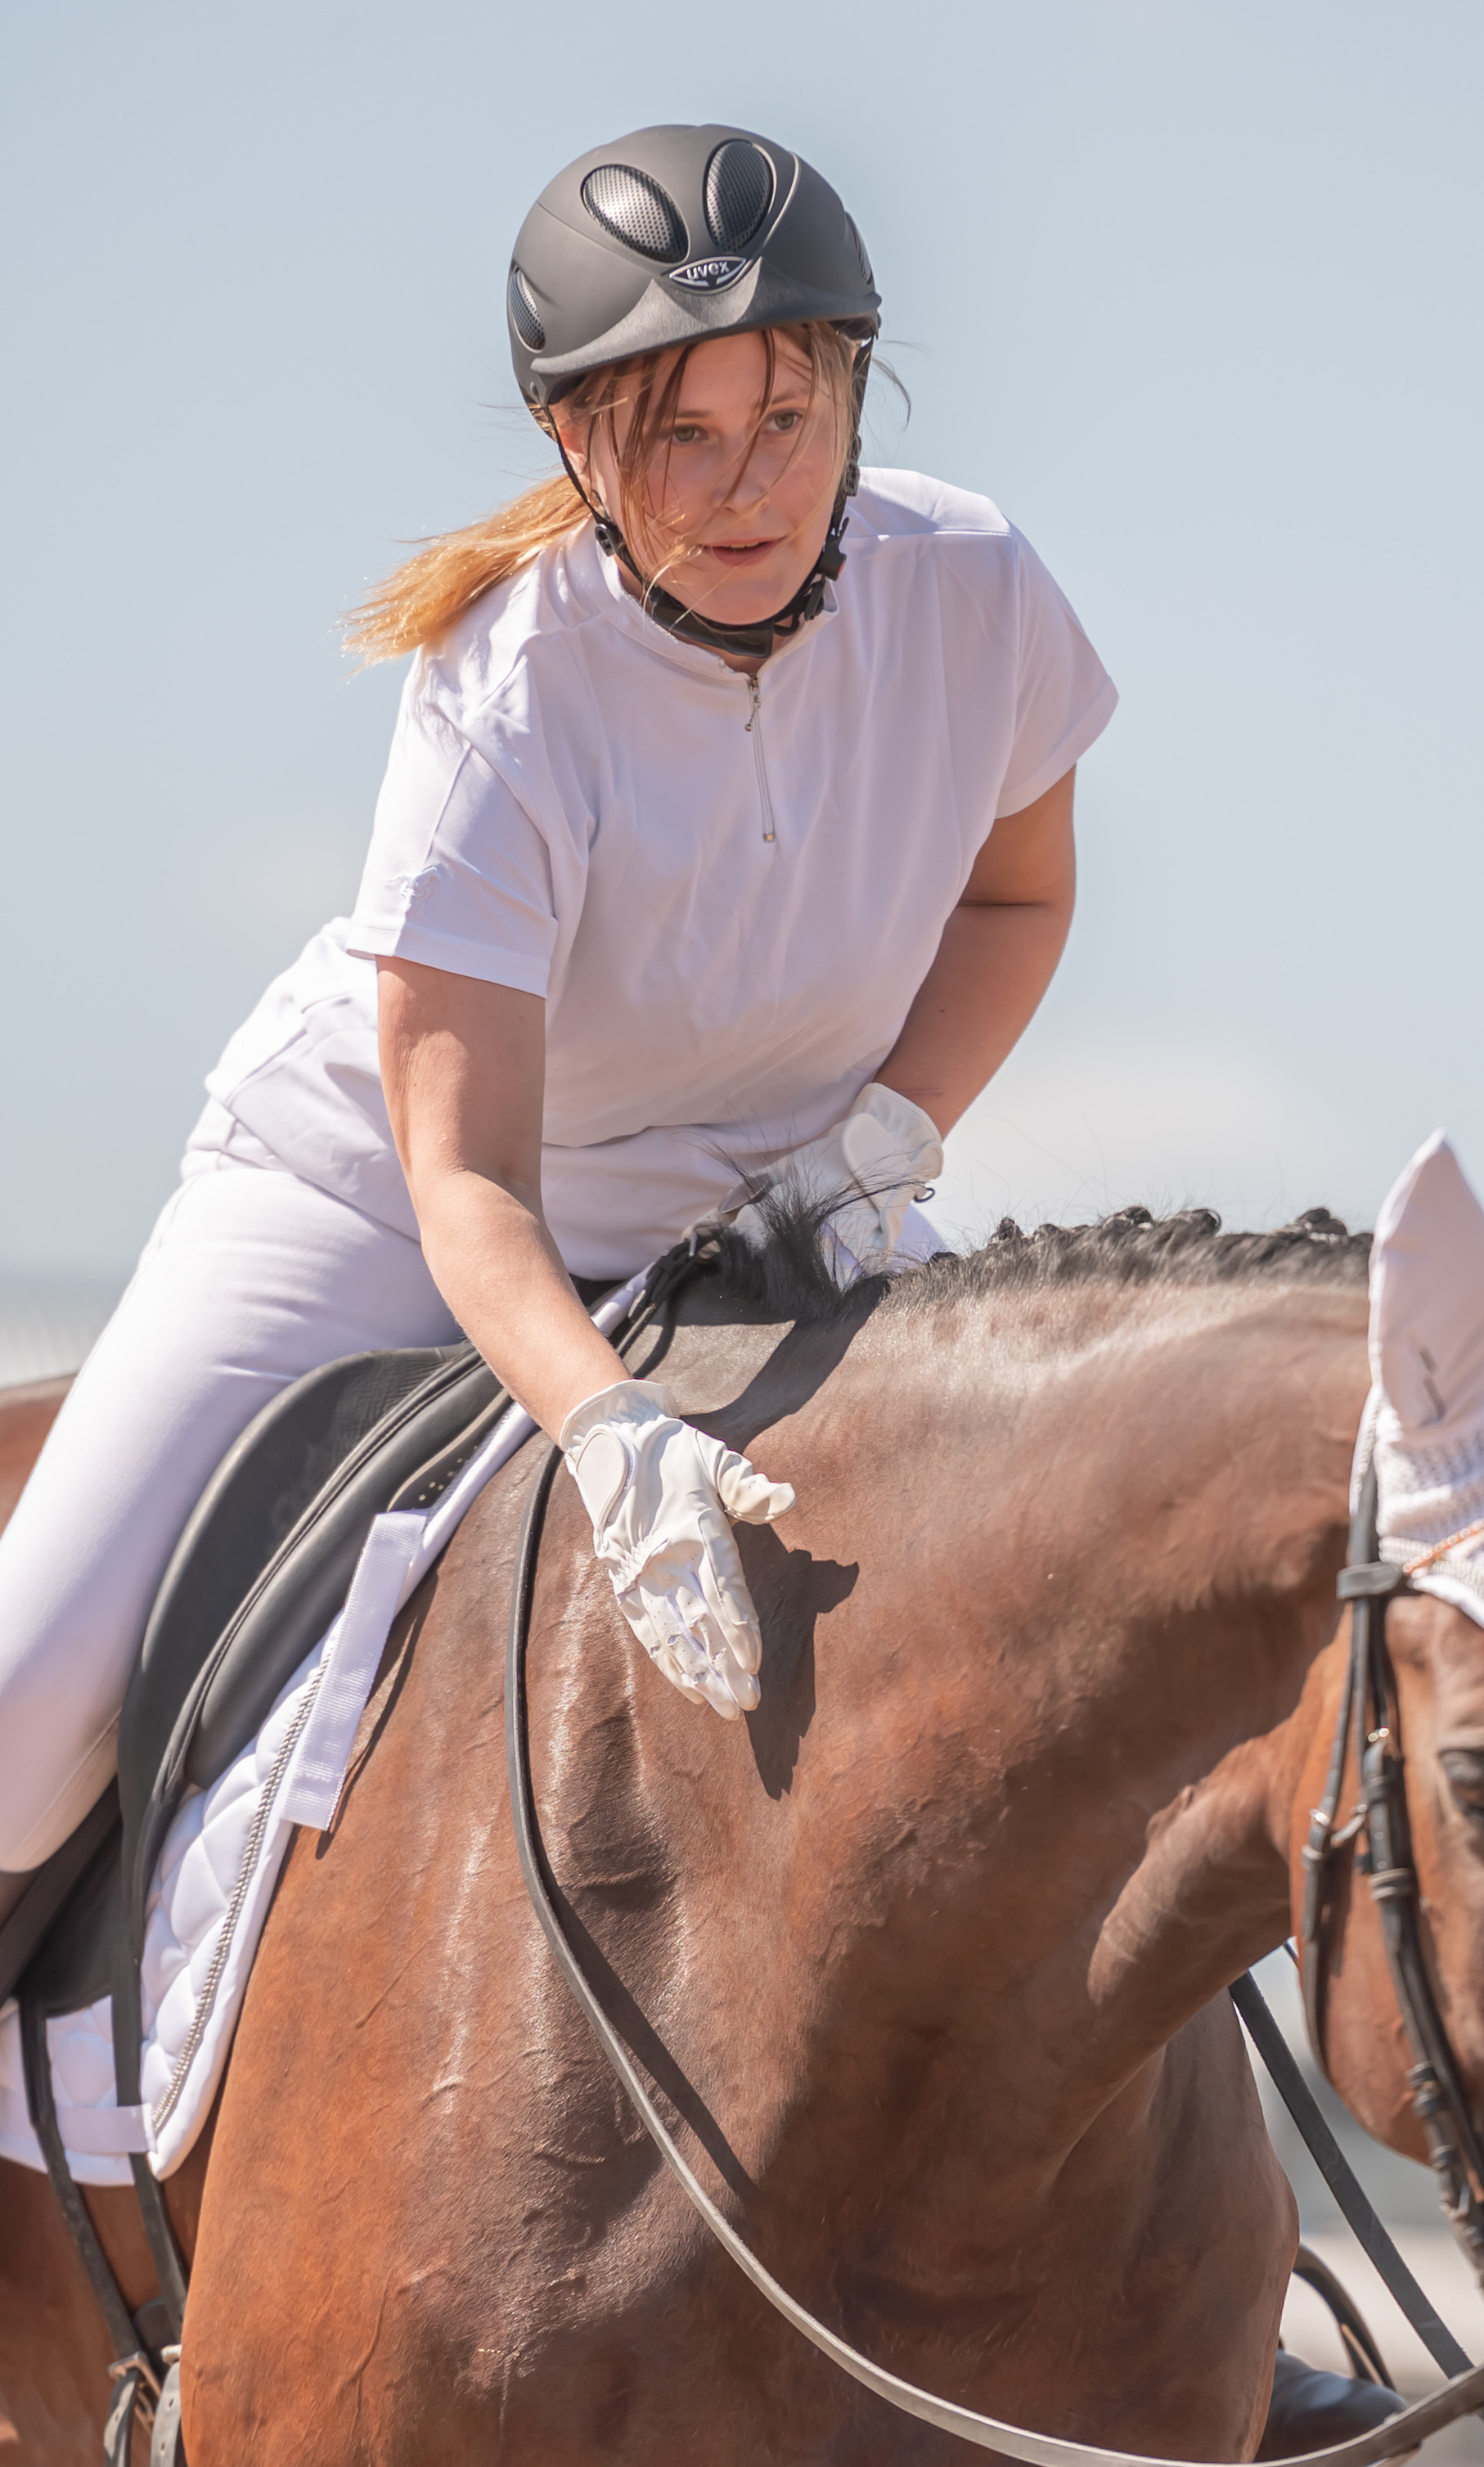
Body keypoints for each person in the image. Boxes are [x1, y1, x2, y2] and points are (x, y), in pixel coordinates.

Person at [0, 121, 1117, 1911]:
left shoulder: (975, 585)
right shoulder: (505, 687)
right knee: (18, 1710)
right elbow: (469, 1192)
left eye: (786, 421)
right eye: (678, 433)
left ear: (852, 393)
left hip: (783, 1178)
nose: (744, 486)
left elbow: (1014, 897)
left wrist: (889, 1133)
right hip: (385, 1198)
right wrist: (608, 1427)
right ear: (574, 437)